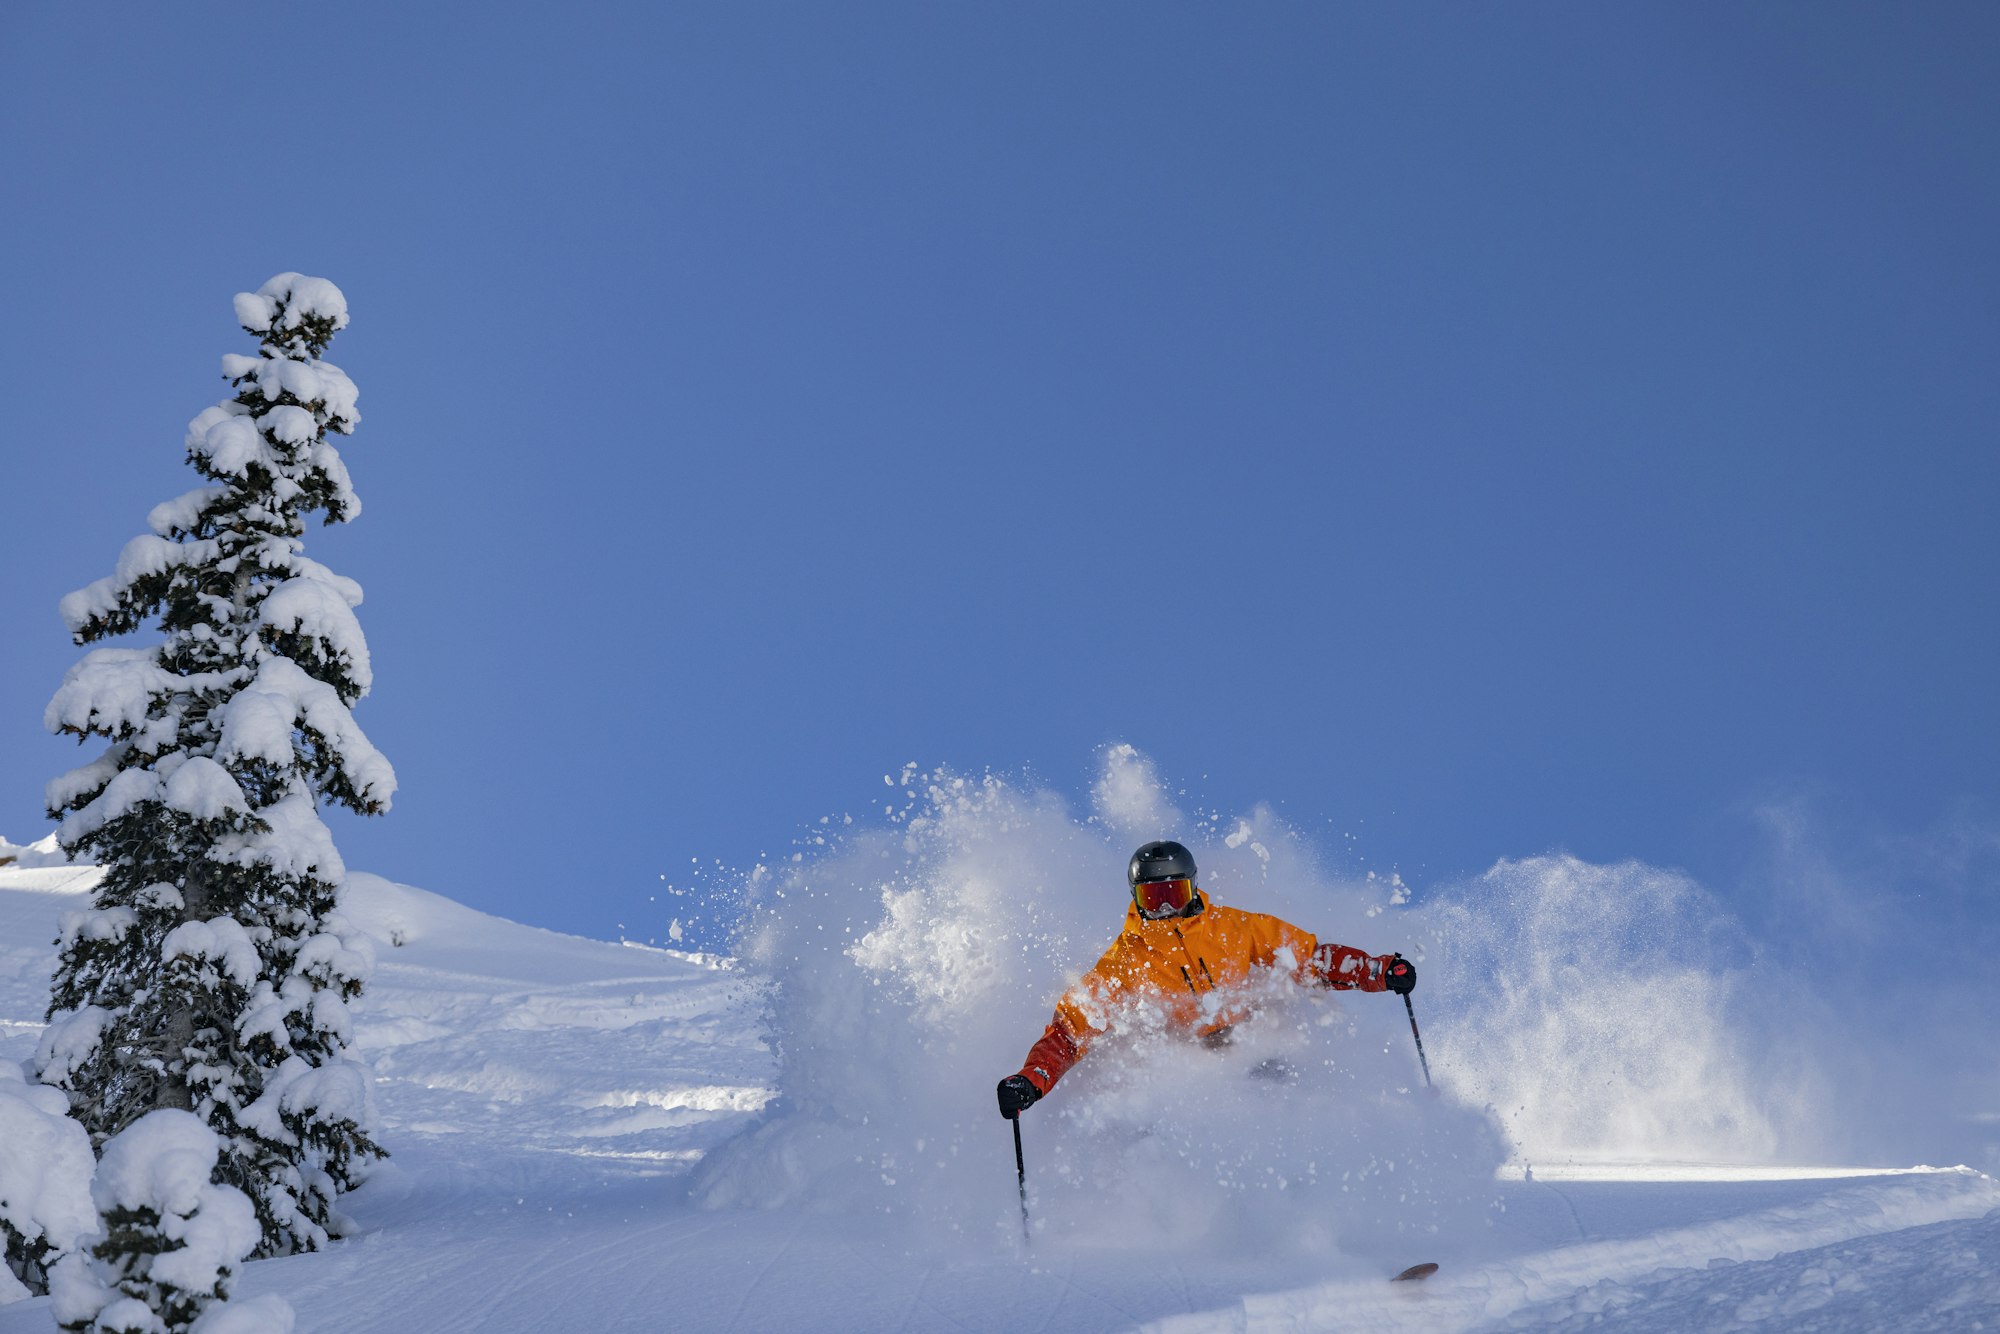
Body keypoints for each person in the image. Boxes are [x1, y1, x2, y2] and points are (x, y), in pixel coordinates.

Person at [997, 839, 1416, 1119]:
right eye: (1153, 899)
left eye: (1173, 895)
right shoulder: (1125, 962)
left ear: (1193, 888)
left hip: (1251, 1044)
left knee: (1292, 1096)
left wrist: (1377, 971)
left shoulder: (1235, 928)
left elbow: (1310, 959)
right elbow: (1071, 1031)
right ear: (1136, 898)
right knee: (1182, 1118)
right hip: (1191, 1063)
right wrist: (1032, 1079)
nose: (1165, 910)